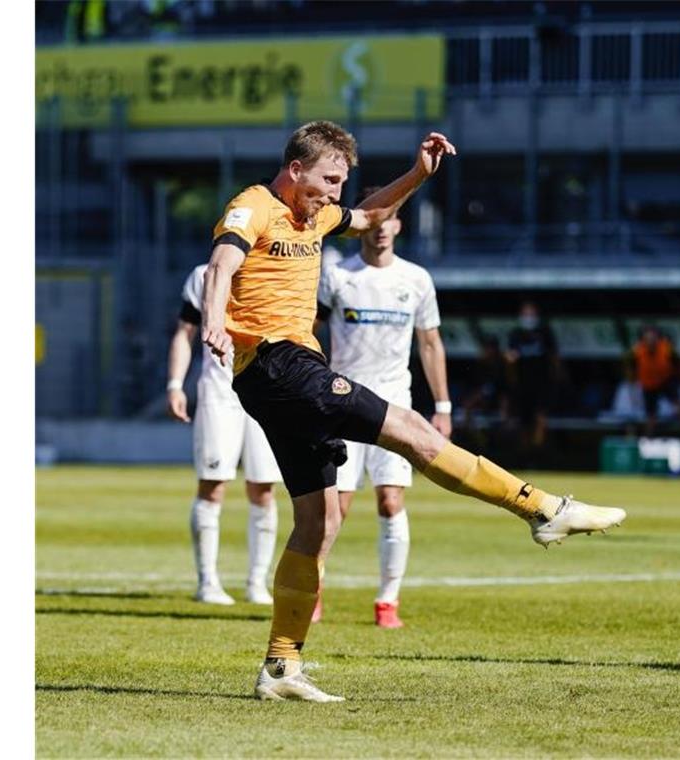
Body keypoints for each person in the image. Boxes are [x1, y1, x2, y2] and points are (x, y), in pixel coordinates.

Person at [200, 121, 626, 702]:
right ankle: (542, 508)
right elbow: (222, 263)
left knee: (319, 520)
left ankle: (280, 667)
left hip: (278, 380)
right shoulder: (254, 205)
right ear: (296, 169)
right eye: (328, 178)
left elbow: (371, 215)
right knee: (410, 429)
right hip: (279, 365)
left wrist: (418, 176)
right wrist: (212, 323)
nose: (334, 192)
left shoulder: (316, 215)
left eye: (341, 181)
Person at [314, 186, 451, 629]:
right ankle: (311, 589)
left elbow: (430, 343)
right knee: (335, 507)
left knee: (391, 502)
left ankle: (387, 601)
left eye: (389, 219)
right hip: (343, 403)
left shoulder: (415, 280)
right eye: (373, 221)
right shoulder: (337, 277)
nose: (381, 229)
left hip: (396, 403)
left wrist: (443, 406)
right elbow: (310, 332)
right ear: (363, 227)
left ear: (398, 224)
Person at [166, 264, 281, 606]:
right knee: (212, 485)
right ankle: (208, 582)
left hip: (268, 393)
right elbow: (185, 332)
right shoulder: (204, 274)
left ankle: (257, 582)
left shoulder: (275, 268)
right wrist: (175, 385)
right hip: (219, 394)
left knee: (263, 489)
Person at [505, 301, 559, 454]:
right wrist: (510, 362)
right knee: (523, 422)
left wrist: (557, 377)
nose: (528, 318)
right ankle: (525, 453)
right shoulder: (515, 334)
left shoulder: (544, 332)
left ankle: (538, 452)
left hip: (542, 383)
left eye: (531, 314)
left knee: (540, 417)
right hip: (522, 385)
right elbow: (509, 360)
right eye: (525, 314)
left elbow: (554, 358)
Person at [630, 324, 680, 434]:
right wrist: (633, 382)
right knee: (650, 416)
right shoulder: (637, 351)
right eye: (647, 338)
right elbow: (630, 367)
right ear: (643, 340)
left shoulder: (666, 348)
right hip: (648, 385)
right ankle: (649, 438)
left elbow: (679, 362)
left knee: (679, 407)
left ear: (658, 338)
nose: (650, 341)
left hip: (665, 380)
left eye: (653, 338)